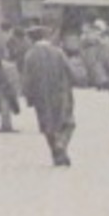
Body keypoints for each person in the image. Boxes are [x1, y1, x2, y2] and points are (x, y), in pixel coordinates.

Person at [21, 25, 76, 166]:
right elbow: (70, 70)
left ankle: (56, 155)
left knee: (48, 126)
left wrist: (29, 97)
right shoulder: (57, 52)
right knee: (67, 123)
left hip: (41, 96)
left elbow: (27, 79)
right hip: (61, 92)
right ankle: (62, 144)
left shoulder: (30, 55)